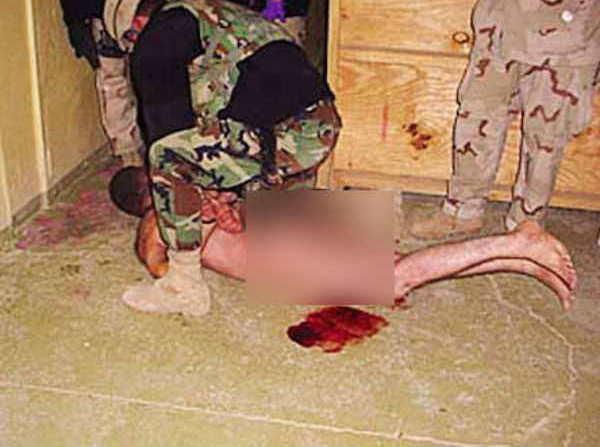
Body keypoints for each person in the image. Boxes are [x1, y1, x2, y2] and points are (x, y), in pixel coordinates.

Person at [120, 0, 341, 315]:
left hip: (285, 136)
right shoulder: (219, 17)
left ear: (138, 25)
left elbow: (170, 137)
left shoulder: (158, 36)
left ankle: (183, 288)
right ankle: (380, 250)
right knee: (273, 233)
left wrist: (200, 189)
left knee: (165, 155)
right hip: (315, 127)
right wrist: (229, 194)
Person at [134, 206, 577, 313]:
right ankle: (520, 261)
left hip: (278, 254)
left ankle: (516, 242)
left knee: (396, 279)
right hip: (286, 231)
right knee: (405, 265)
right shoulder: (191, 189)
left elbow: (160, 266)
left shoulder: (156, 215)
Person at [411, 0, 600, 238]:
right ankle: (463, 212)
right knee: (476, 117)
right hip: (501, 24)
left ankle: (526, 226)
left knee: (546, 139)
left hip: (571, 37)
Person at [59, 0, 148, 167]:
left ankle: (141, 149)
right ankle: (128, 152)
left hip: (136, 9)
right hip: (105, 14)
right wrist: (76, 25)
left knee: (137, 79)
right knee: (114, 84)